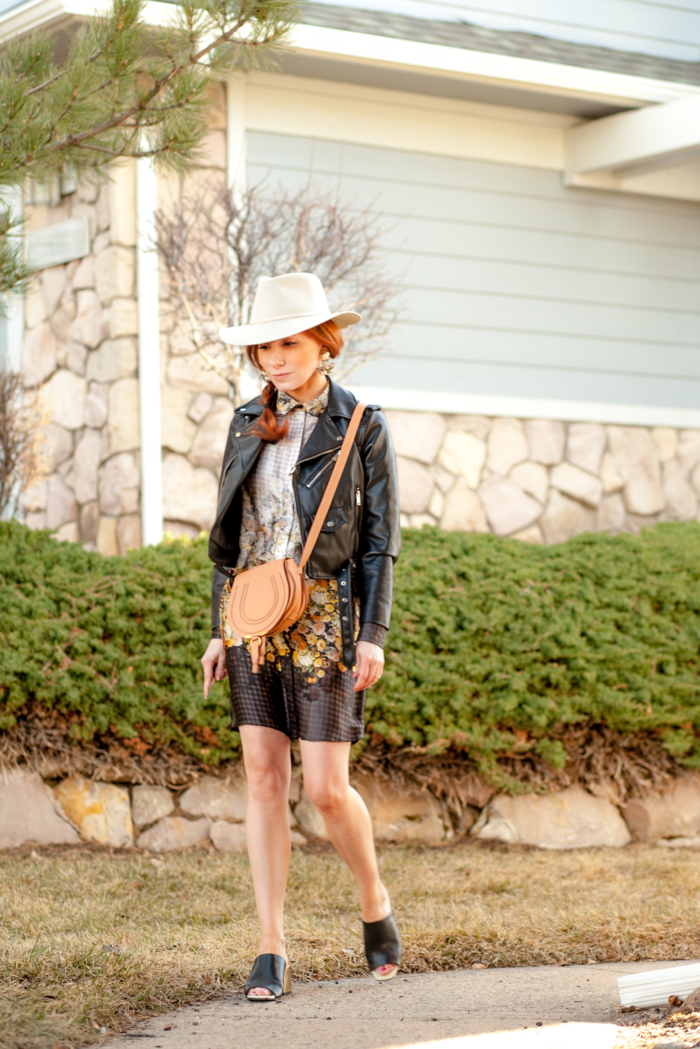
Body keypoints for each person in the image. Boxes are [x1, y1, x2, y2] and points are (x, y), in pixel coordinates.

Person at [200, 272, 401, 1002]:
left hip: (324, 618)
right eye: (263, 347)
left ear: (323, 341)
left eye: (288, 343)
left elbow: (379, 542)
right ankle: (270, 946)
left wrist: (371, 633)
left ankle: (373, 896)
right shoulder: (244, 421)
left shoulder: (360, 424)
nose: (274, 359)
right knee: (263, 777)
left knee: (325, 786)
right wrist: (218, 628)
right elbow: (230, 538)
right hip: (252, 616)